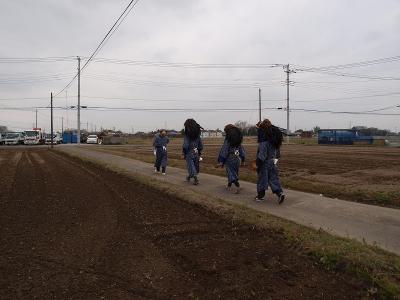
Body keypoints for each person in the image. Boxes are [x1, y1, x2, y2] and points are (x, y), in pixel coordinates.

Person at [255, 119, 285, 204]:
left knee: (262, 179)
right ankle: (280, 193)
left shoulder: (264, 140)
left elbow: (262, 154)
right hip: (273, 161)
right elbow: (278, 154)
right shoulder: (275, 140)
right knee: (274, 178)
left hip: (264, 162)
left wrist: (258, 164)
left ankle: (260, 196)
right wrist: (274, 162)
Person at [217, 124, 245, 193]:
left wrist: (221, 161)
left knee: (231, 173)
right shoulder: (238, 140)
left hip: (230, 159)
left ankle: (238, 186)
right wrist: (243, 160)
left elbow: (224, 150)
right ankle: (229, 185)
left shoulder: (228, 140)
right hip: (237, 159)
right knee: (234, 173)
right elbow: (242, 151)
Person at [182, 119, 203, 185]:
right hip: (196, 152)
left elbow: (186, 145)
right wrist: (199, 153)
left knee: (191, 166)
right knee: (195, 166)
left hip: (189, 152)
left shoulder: (187, 135)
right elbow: (200, 145)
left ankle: (195, 179)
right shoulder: (197, 135)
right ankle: (189, 177)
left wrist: (184, 153)